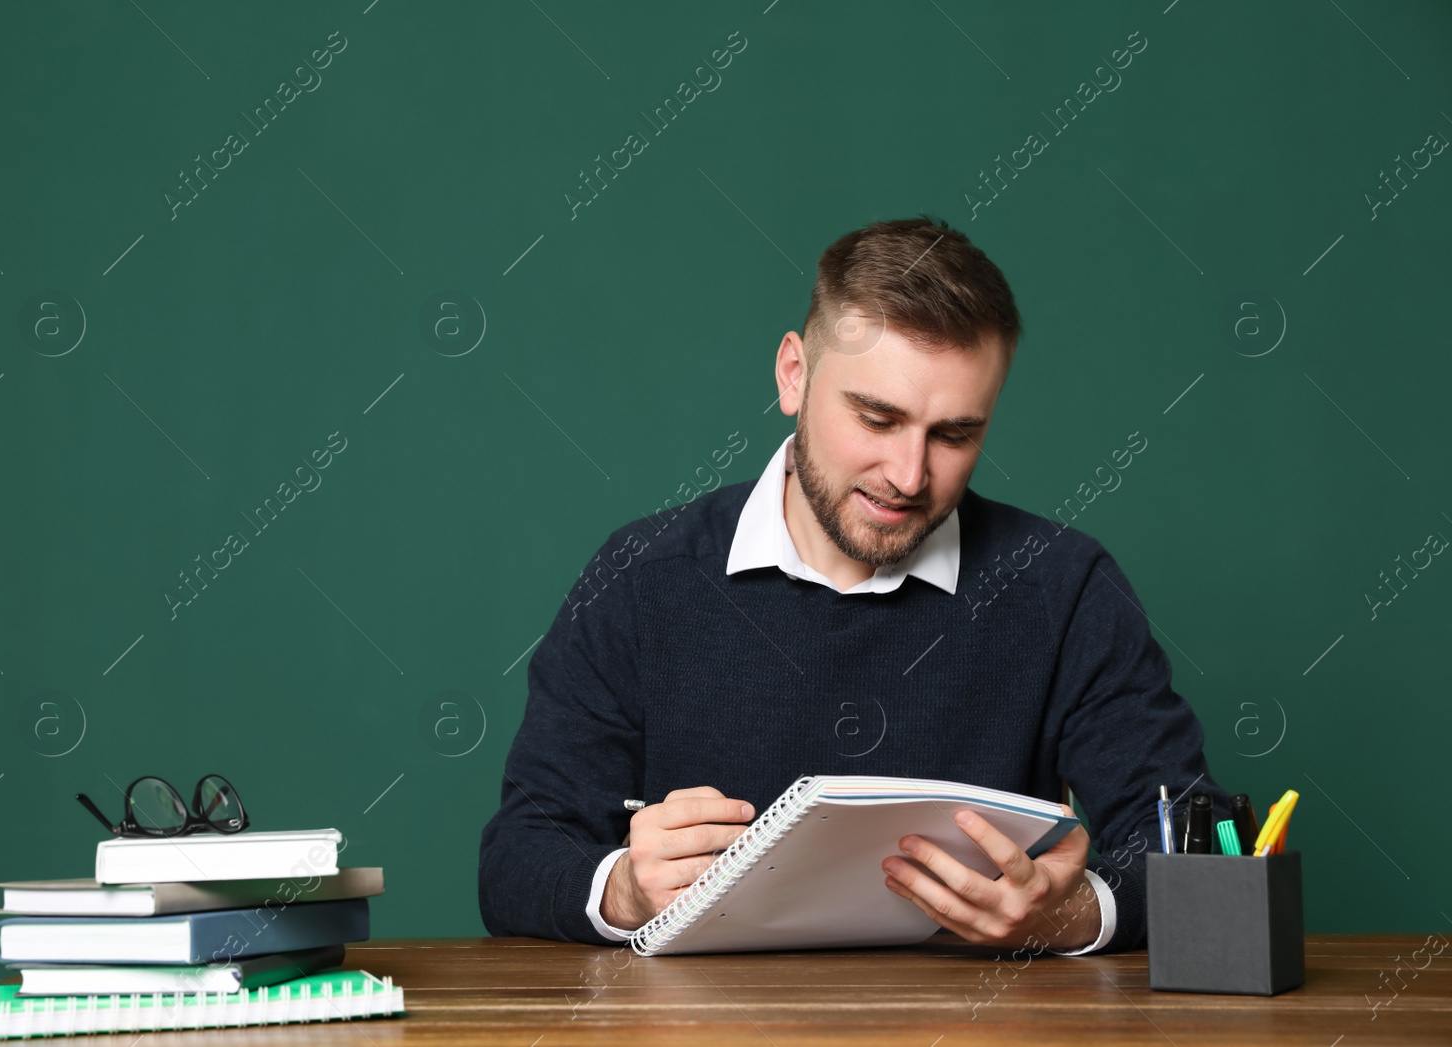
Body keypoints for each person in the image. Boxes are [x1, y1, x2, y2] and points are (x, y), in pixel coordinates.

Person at [478, 215, 1226, 955]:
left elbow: (1203, 852)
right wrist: (625, 888)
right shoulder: (640, 577)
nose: (908, 475)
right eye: (877, 418)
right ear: (794, 376)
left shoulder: (1063, 587)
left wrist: (1063, 916)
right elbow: (516, 856)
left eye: (954, 435)